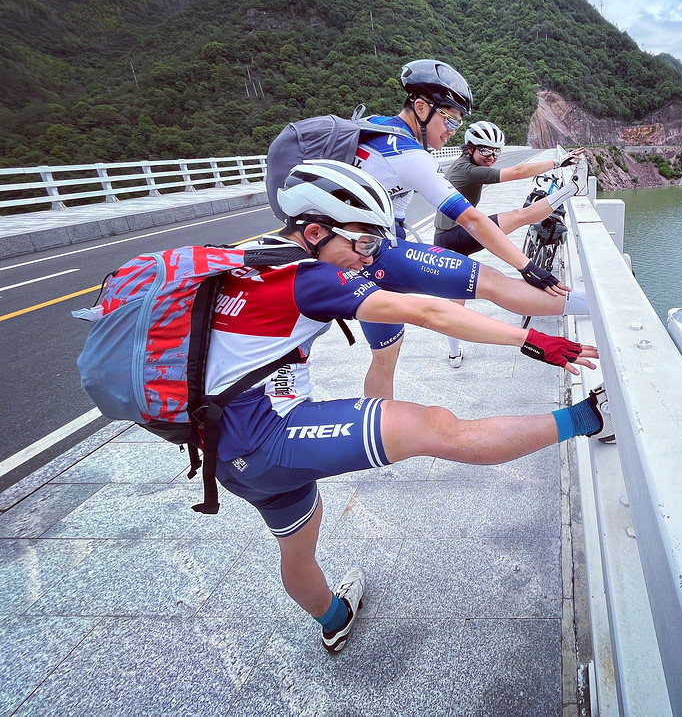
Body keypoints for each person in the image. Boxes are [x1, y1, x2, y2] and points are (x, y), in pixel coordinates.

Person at [208, 160, 613, 653]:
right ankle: (593, 416)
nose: (367, 257)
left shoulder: (236, 258)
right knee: (439, 429)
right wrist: (530, 340)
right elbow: (426, 310)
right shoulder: (306, 275)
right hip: (268, 435)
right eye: (362, 243)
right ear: (314, 231)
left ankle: (335, 619)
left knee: (296, 547)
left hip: (218, 448)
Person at [266, 59, 592, 399]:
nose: (452, 128)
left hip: (345, 251)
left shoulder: (375, 127)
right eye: (449, 118)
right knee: (493, 282)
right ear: (420, 107)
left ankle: (374, 428)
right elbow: (472, 220)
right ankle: (595, 306)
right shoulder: (409, 154)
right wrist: (527, 267)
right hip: (376, 255)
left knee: (384, 359)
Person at [433, 120, 585, 366]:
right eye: (485, 150)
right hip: (456, 235)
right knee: (519, 215)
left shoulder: (465, 164)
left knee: (456, 303)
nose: (491, 157)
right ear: (469, 148)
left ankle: (453, 353)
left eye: (496, 152)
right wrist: (558, 162)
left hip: (446, 236)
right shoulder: (468, 170)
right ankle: (572, 188)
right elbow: (515, 173)